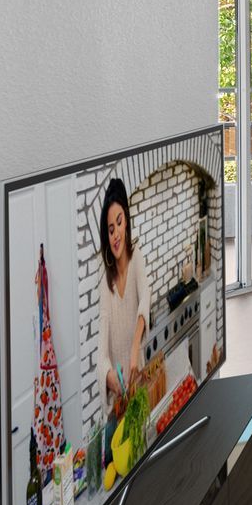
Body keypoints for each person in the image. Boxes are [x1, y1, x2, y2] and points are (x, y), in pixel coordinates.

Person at [99, 177, 148, 413]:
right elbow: (101, 350)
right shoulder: (104, 281)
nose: (116, 234)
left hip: (139, 382)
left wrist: (134, 349)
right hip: (119, 397)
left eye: (119, 223)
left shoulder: (137, 256)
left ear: (126, 221)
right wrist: (110, 378)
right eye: (110, 229)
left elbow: (145, 299)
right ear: (107, 237)